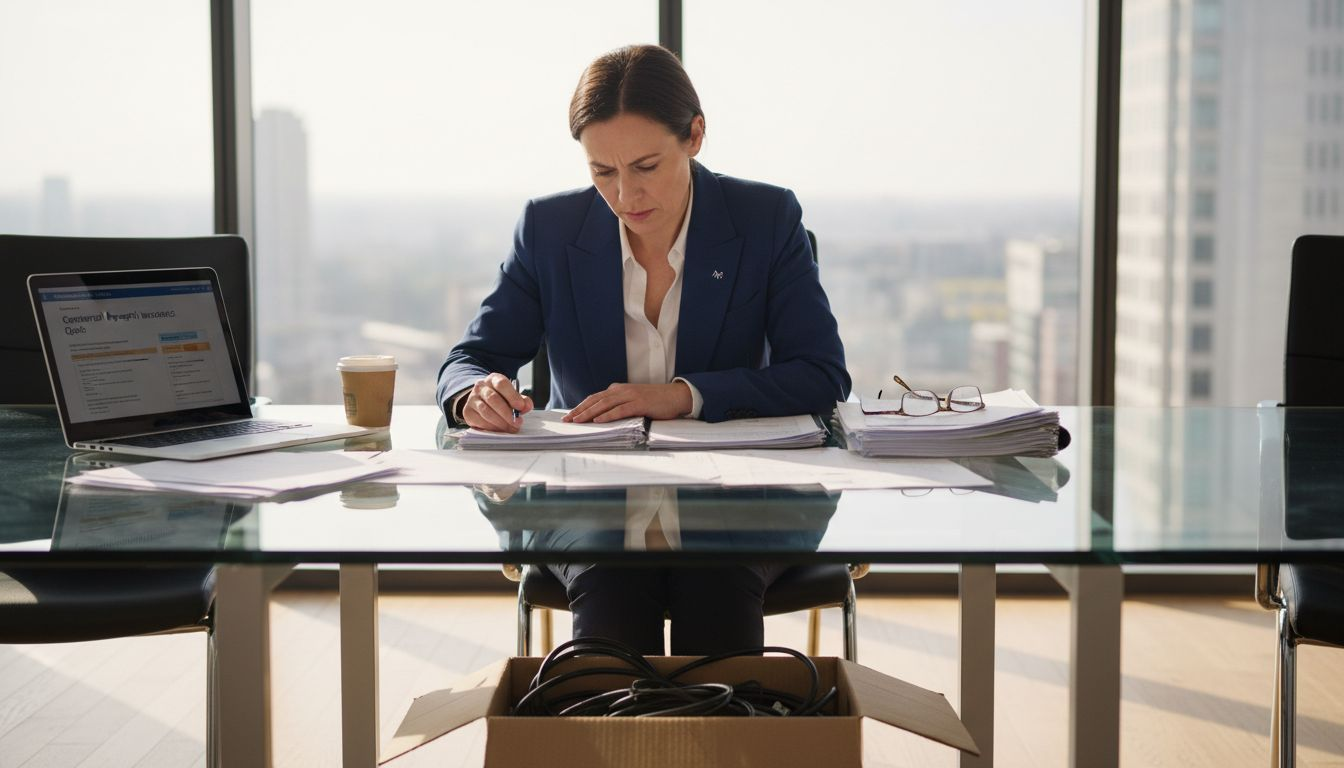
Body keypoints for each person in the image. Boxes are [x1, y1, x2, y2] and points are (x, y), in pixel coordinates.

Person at [437, 44, 850, 655]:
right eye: (603, 171)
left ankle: (731, 745)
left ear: (696, 136)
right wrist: (475, 393)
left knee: (714, 587)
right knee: (613, 587)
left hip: (741, 499)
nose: (626, 195)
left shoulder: (766, 218)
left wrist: (682, 397)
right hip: (587, 501)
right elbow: (468, 360)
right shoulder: (550, 231)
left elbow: (821, 376)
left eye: (646, 165)